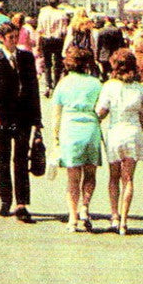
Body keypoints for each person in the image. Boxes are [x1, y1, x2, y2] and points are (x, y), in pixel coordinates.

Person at [0, 20, 43, 220]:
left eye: (16, 37)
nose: (14, 41)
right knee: (2, 160)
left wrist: (37, 119)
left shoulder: (26, 57)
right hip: (1, 117)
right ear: (1, 38)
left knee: (21, 160)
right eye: (10, 38)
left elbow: (33, 89)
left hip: (22, 116)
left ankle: (22, 204)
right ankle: (5, 199)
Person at [96, 48, 143, 235]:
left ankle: (114, 217)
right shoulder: (141, 89)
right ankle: (124, 222)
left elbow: (101, 112)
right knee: (128, 179)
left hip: (115, 132)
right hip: (133, 132)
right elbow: (142, 117)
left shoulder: (109, 87)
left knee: (114, 177)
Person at [52, 45, 102, 232]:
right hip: (91, 129)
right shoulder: (96, 83)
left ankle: (72, 218)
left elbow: (56, 114)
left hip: (70, 129)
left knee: (72, 178)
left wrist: (55, 137)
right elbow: (101, 109)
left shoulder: (63, 83)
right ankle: (85, 207)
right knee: (90, 174)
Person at [36, 0, 68, 96]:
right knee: (58, 63)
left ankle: (48, 85)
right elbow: (64, 31)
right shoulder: (62, 14)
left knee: (47, 63)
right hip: (58, 40)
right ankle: (56, 84)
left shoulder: (43, 13)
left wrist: (38, 45)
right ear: (58, 3)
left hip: (46, 39)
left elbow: (39, 29)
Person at [62, 8, 98, 73]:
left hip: (75, 51)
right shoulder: (88, 25)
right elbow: (92, 40)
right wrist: (95, 53)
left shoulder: (73, 25)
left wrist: (64, 50)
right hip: (86, 51)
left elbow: (69, 38)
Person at [96, 16, 125, 82]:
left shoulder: (101, 31)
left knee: (104, 71)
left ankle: (105, 82)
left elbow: (98, 45)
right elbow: (122, 43)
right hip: (114, 54)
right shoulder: (117, 30)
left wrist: (97, 56)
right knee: (114, 71)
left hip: (103, 54)